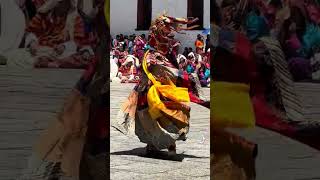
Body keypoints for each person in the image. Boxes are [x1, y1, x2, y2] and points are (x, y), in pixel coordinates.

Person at [113, 14, 209, 155]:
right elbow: (148, 58)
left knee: (169, 112)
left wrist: (185, 22)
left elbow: (173, 66)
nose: (169, 29)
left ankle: (171, 144)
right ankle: (152, 143)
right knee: (147, 115)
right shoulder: (154, 38)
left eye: (170, 25)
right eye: (166, 24)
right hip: (151, 81)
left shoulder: (168, 45)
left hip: (165, 82)